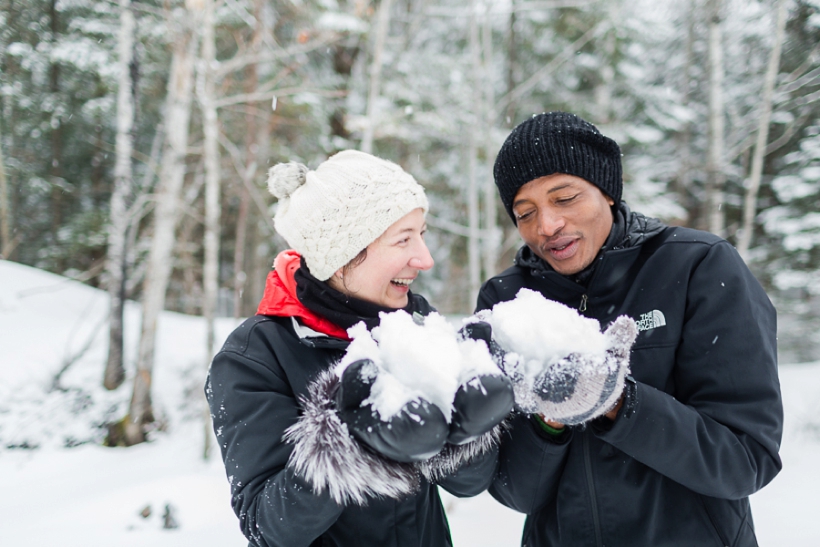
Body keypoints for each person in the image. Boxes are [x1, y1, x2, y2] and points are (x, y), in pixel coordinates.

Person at [478, 111, 783, 546]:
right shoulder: (506, 300)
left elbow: (744, 461)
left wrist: (618, 402)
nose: (546, 226)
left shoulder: (698, 265)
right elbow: (517, 491)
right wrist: (551, 419)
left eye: (564, 198)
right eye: (525, 213)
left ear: (606, 192)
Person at [205, 149, 513, 547]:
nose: (425, 258)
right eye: (404, 240)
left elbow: (471, 484)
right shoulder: (256, 354)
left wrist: (462, 432)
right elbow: (269, 525)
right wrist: (352, 441)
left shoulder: (415, 323)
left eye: (422, 234)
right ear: (340, 258)